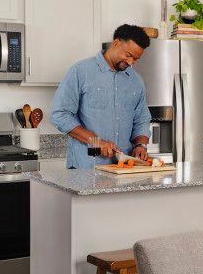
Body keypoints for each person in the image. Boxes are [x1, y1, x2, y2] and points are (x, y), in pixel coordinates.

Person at [51, 24, 152, 169]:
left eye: (135, 59)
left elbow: (141, 118)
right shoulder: (81, 72)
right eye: (128, 55)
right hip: (86, 166)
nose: (131, 62)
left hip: (124, 168)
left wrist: (140, 145)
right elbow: (60, 114)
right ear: (116, 43)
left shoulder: (136, 81)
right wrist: (97, 142)